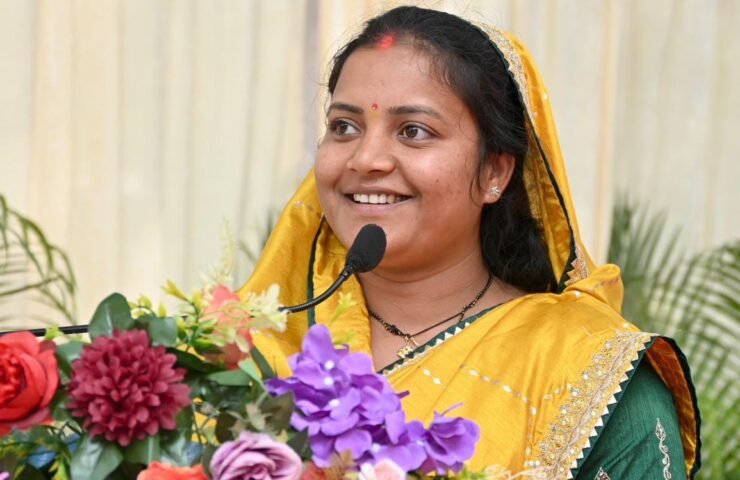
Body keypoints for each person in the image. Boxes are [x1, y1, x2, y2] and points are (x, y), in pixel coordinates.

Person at [243, 6, 699, 479]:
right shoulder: (247, 350)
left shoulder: (587, 375)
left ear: (494, 172)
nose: (366, 158)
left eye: (413, 131)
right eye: (344, 126)